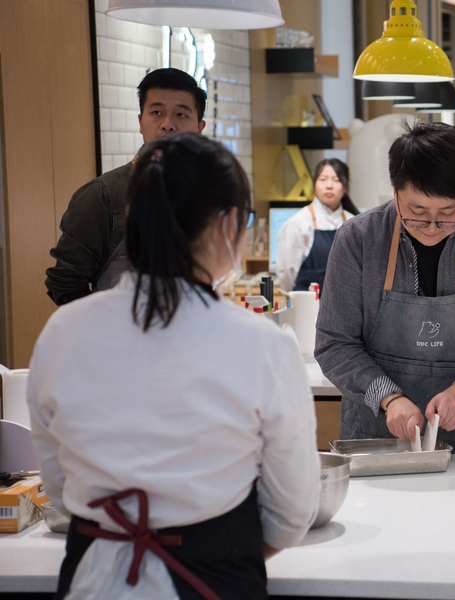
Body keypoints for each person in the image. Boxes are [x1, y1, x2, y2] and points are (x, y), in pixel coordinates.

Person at [28, 133, 320, 599]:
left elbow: (60, 490)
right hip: (214, 580)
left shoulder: (62, 332)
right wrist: (209, 549)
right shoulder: (262, 344)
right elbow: (291, 513)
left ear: (132, 217)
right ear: (229, 223)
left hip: (90, 580)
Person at [315, 121, 455, 454]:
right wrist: (388, 397)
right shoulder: (358, 239)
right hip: (376, 442)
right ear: (395, 192)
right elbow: (334, 344)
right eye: (416, 212)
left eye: (449, 213)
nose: (432, 227)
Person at [45, 68, 207, 305]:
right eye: (157, 112)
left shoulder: (208, 194)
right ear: (141, 122)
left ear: (199, 128)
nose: (167, 124)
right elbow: (65, 282)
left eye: (181, 115)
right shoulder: (103, 195)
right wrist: (107, 324)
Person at [275, 158, 359, 291]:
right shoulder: (298, 223)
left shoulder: (354, 224)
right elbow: (286, 273)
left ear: (345, 186)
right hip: (307, 303)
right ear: (314, 184)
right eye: (323, 179)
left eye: (336, 180)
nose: (329, 185)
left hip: (345, 303)